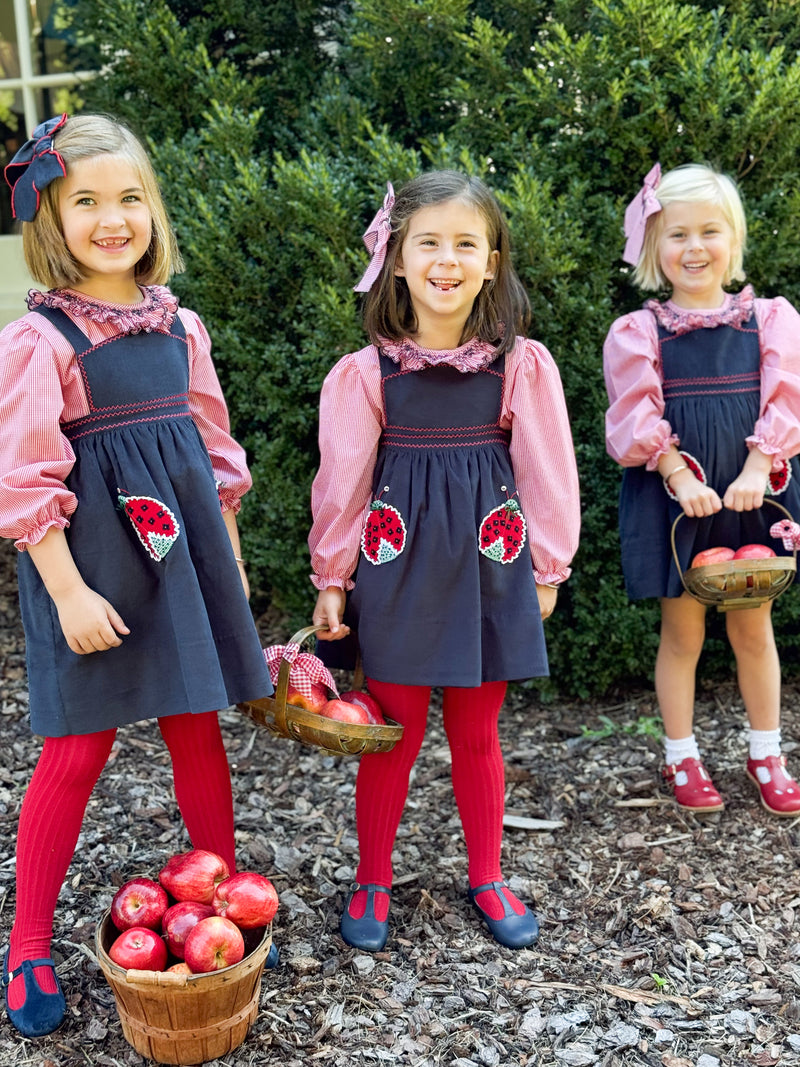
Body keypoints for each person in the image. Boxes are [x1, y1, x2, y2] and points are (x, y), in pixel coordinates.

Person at [0, 113, 272, 1038]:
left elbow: (212, 451)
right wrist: (68, 590)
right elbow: (23, 476)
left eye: (129, 199)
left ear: (151, 210)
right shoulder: (42, 342)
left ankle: (220, 910)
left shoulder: (178, 324)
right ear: (50, 218)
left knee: (196, 729)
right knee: (77, 748)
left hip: (182, 565)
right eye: (86, 202)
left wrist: (226, 571)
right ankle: (27, 943)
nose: (111, 219)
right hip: (95, 574)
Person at [309, 171, 581, 952]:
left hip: (490, 570)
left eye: (467, 244)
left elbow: (547, 472)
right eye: (428, 242)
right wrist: (333, 576)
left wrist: (547, 568)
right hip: (394, 573)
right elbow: (343, 483)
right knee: (390, 730)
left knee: (478, 732)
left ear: (492, 262)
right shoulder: (365, 375)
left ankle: (488, 872)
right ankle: (372, 875)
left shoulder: (520, 366)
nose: (447, 259)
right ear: (396, 259)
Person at [603, 162, 800, 818]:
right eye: (676, 233)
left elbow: (785, 400)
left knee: (753, 627)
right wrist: (678, 473)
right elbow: (636, 415)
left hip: (753, 495)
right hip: (677, 505)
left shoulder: (769, 320)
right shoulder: (640, 333)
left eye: (709, 231)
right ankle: (681, 753)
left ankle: (766, 751)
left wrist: (758, 468)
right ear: (655, 246)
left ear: (733, 240)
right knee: (682, 633)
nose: (693, 247)